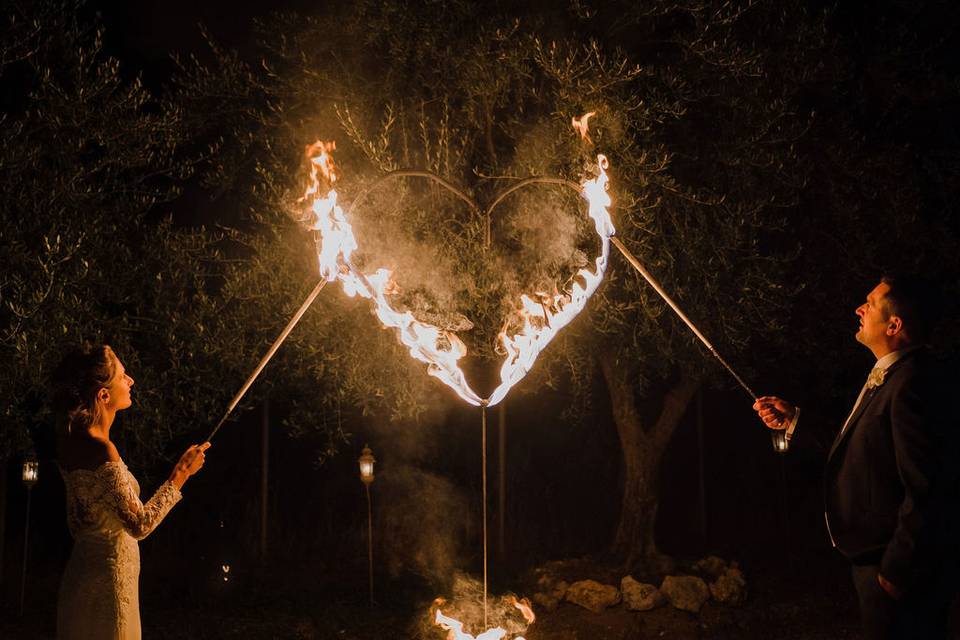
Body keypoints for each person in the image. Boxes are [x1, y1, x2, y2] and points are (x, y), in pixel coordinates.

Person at [753, 274, 957, 640]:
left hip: (893, 571)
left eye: (871, 304)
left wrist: (896, 570)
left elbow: (929, 488)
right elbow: (861, 447)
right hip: (873, 563)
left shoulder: (913, 383)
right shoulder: (892, 375)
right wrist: (794, 420)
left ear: (894, 325)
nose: (858, 309)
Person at [51, 344, 210, 640]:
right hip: (111, 589)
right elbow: (139, 525)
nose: (131, 380)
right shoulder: (102, 450)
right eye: (123, 376)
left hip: (80, 579)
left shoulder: (69, 443)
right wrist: (181, 474)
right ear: (104, 395)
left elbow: (77, 523)